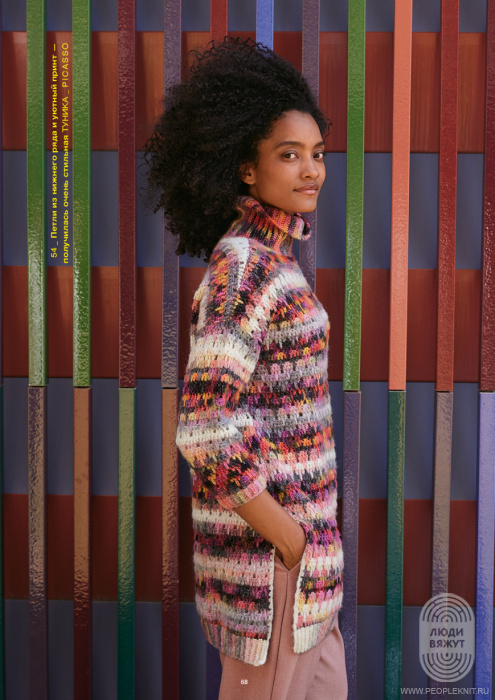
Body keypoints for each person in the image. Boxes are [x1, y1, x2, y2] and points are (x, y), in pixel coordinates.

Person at [142, 36, 347, 700]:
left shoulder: (274, 259)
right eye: (289, 154)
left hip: (308, 573)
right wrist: (287, 538)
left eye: (317, 153)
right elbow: (206, 425)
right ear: (246, 171)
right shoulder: (245, 268)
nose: (311, 170)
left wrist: (307, 546)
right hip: (273, 574)